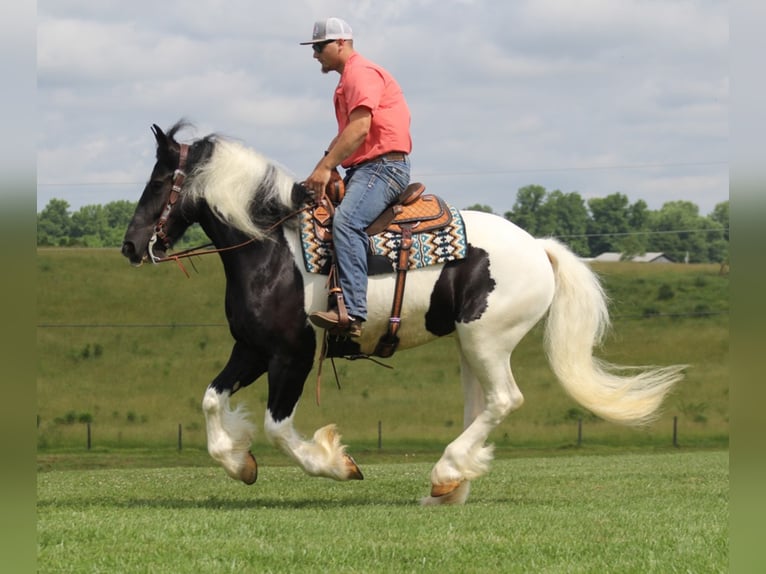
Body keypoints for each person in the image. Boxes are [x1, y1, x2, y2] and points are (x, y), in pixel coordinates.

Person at [300, 17, 412, 338]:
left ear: (340, 43)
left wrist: (325, 168)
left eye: (319, 47)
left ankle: (352, 313)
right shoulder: (348, 77)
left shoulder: (360, 74)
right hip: (365, 167)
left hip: (383, 167)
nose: (315, 55)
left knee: (346, 222)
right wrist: (321, 169)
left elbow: (361, 128)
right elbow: (347, 135)